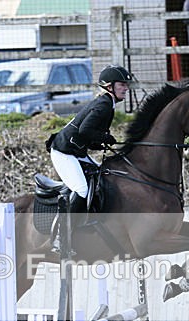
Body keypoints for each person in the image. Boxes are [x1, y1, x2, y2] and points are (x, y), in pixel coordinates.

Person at [47, 64, 132, 251]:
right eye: (122, 84)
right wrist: (105, 138)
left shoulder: (106, 103)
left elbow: (86, 135)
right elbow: (86, 130)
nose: (126, 88)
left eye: (126, 84)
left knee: (101, 177)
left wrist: (101, 142)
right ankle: (61, 238)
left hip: (76, 152)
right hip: (64, 153)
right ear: (109, 86)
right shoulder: (103, 105)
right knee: (82, 189)